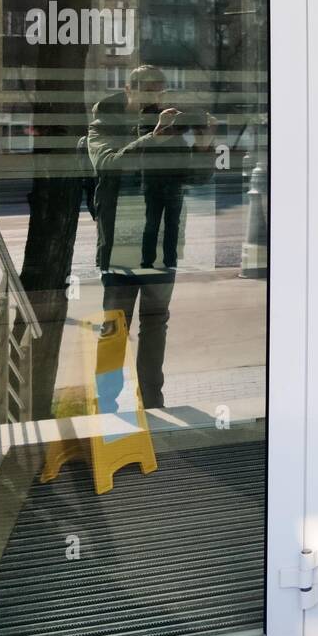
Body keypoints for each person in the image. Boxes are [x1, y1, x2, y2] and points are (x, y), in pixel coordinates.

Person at [86, 65, 216, 409]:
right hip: (120, 240)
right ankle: (107, 403)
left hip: (161, 238)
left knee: (156, 321)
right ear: (129, 90)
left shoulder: (165, 123)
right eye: (148, 91)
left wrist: (204, 144)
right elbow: (108, 165)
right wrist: (153, 137)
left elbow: (195, 178)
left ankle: (153, 401)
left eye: (160, 92)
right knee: (115, 323)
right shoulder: (104, 123)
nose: (156, 99)